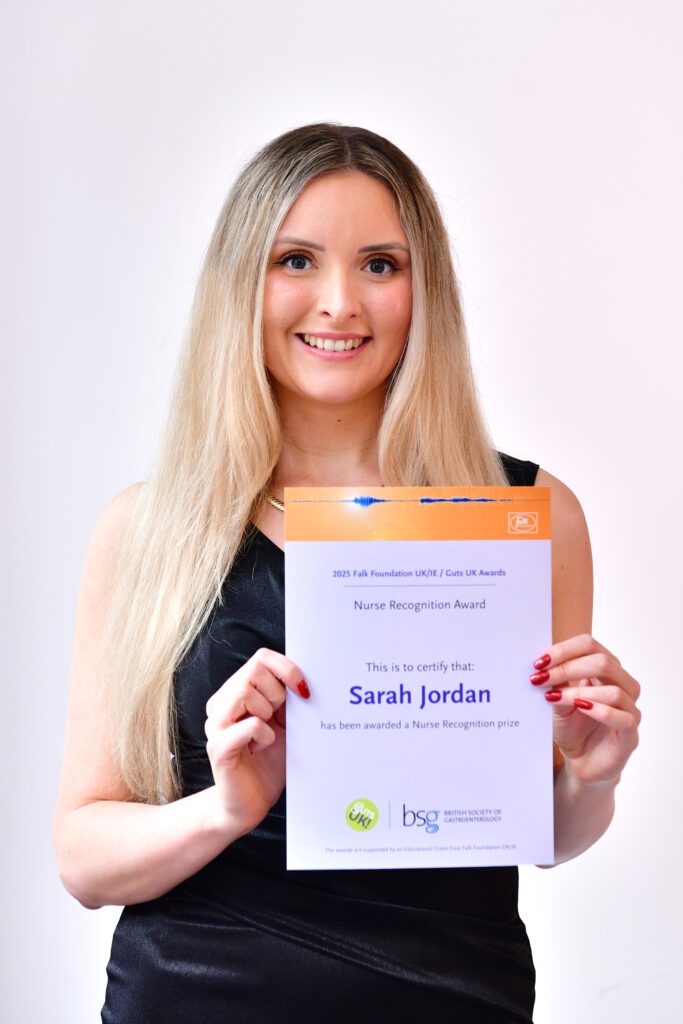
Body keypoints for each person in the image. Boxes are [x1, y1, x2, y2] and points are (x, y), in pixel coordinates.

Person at [53, 123, 641, 1024]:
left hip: (452, 994)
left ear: (423, 288)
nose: (338, 302)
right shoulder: (147, 528)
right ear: (240, 285)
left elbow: (541, 836)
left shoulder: (527, 514)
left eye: (379, 264)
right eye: (295, 260)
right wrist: (226, 809)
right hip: (196, 995)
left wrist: (591, 775)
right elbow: (84, 860)